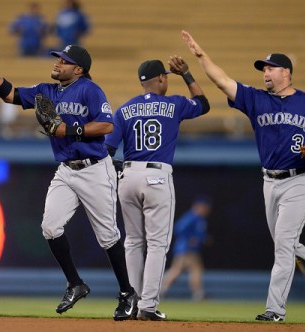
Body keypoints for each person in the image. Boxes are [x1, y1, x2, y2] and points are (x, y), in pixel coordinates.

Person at [181, 30, 305, 322]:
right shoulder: (256, 99)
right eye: (263, 69)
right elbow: (221, 80)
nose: (265, 73)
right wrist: (200, 55)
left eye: (270, 68)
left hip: (300, 178)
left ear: (286, 72)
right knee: (288, 244)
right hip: (269, 181)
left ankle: (275, 310)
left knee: (284, 245)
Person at [0, 36, 137, 320]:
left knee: (108, 236)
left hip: (95, 169)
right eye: (58, 58)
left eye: (65, 61)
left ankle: (127, 293)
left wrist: (70, 130)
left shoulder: (90, 89)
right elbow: (8, 94)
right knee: (50, 227)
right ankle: (75, 283)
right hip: (66, 170)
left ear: (79, 69)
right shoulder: (45, 91)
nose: (58, 63)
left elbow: (107, 124)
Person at [105, 58, 210, 320]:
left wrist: (121, 168)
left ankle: (131, 303)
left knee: (132, 242)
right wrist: (186, 74)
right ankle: (147, 306)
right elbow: (203, 104)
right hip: (156, 176)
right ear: (162, 79)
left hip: (128, 175)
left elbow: (106, 151)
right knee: (157, 244)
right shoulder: (174, 103)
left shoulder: (125, 109)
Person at [160, 195, 212, 302]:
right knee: (192, 270)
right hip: (186, 249)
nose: (207, 210)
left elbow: (197, 234)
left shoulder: (199, 218)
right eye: (205, 207)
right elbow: (179, 228)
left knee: (178, 270)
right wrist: (191, 238)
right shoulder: (192, 216)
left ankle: (160, 290)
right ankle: (198, 293)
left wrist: (203, 238)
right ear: (199, 206)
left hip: (190, 249)